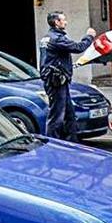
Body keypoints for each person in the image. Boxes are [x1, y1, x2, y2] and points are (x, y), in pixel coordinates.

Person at [39, 11, 96, 142]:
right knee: (56, 116)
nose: (66, 22)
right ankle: (53, 143)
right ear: (56, 22)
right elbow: (78, 47)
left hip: (57, 80)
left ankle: (72, 141)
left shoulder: (47, 38)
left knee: (69, 115)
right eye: (63, 20)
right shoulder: (57, 39)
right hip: (56, 82)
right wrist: (89, 36)